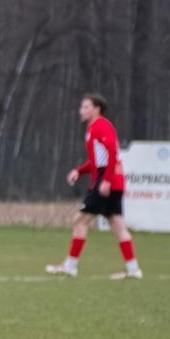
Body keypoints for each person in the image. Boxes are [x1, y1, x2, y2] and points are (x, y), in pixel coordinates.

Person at [46, 94, 142, 280]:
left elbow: (112, 153)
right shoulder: (92, 129)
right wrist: (79, 171)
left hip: (107, 182)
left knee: (79, 221)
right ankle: (133, 270)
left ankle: (70, 266)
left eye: (85, 107)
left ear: (96, 109)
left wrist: (106, 180)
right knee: (117, 224)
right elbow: (98, 160)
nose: (81, 110)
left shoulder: (100, 125)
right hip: (113, 181)